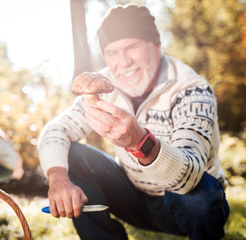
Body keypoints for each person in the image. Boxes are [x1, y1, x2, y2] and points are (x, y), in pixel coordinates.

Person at [37, 4, 229, 240]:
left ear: (157, 47)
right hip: (134, 198)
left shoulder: (191, 89)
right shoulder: (102, 85)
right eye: (112, 53)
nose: (123, 62)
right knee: (72, 154)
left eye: (133, 47)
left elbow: (188, 178)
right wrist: (57, 177)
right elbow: (56, 129)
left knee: (199, 192)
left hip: (185, 205)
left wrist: (140, 142)